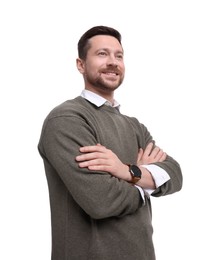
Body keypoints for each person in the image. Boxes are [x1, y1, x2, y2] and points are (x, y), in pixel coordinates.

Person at [38, 25, 183, 260]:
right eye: (102, 54)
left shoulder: (134, 125)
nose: (113, 62)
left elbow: (175, 175)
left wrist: (126, 171)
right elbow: (101, 201)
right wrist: (146, 182)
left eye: (119, 55)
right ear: (81, 64)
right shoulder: (67, 119)